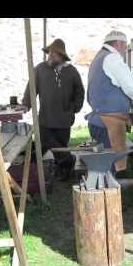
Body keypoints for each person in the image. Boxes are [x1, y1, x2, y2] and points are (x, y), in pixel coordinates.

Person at [86, 30, 133, 172]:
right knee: (107, 169)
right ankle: (106, 193)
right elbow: (130, 87)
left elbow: (120, 82)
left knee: (104, 166)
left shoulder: (100, 57)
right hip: (107, 123)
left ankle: (103, 191)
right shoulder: (112, 58)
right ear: (118, 43)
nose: (125, 50)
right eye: (125, 46)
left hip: (101, 121)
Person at [20, 39, 85, 180]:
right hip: (45, 117)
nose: (51, 55)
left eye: (55, 54)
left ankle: (63, 171)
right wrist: (26, 104)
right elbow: (31, 89)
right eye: (50, 53)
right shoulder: (40, 69)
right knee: (44, 142)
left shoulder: (72, 72)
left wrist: (74, 108)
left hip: (64, 119)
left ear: (62, 56)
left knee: (61, 146)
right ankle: (67, 161)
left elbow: (80, 92)